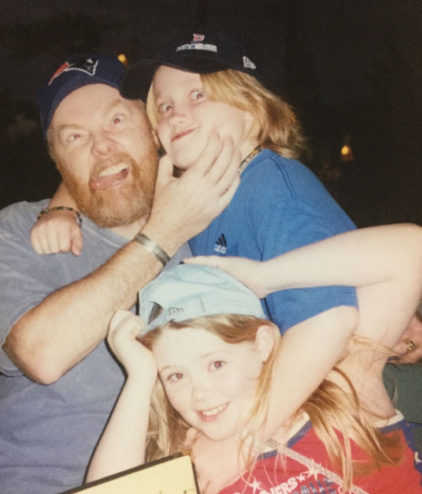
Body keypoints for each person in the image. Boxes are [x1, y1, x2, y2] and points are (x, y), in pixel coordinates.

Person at [32, 30, 361, 446]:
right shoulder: (203, 196)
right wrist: (62, 205)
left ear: (252, 108)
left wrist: (243, 444)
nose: (175, 115)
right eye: (164, 107)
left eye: (198, 96)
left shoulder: (275, 190)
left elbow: (330, 321)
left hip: (322, 436)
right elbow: (101, 168)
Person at [87, 224, 422, 494]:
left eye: (216, 364)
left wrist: (266, 277)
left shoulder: (340, 388)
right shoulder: (192, 449)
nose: (199, 394)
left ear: (263, 344)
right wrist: (139, 376)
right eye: (176, 375)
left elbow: (411, 250)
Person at [0, 55, 241, 494]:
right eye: (75, 137)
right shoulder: (21, 229)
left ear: (153, 129)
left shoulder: (214, 227)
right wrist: (160, 237)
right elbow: (42, 356)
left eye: (117, 120)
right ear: (59, 163)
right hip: (4, 493)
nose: (101, 146)